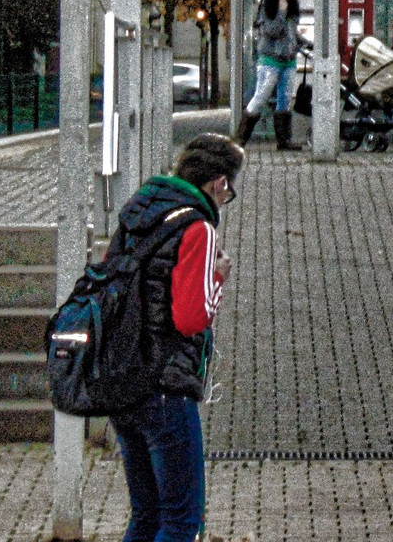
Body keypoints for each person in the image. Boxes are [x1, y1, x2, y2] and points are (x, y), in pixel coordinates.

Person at [108, 132, 240, 542]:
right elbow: (190, 318)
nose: (227, 197)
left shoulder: (141, 210)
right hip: (165, 387)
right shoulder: (196, 228)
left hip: (123, 378)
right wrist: (217, 279)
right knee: (182, 522)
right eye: (229, 189)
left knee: (145, 517)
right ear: (218, 182)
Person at [237, 0, 310, 150]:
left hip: (288, 59)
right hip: (270, 59)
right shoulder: (268, 6)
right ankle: (240, 139)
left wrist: (305, 43)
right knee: (261, 95)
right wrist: (282, 12)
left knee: (284, 99)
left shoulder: (292, 6)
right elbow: (273, 31)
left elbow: (291, 33)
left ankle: (284, 140)